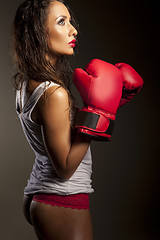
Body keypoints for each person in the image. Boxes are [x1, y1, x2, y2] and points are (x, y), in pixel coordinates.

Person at [11, 0, 95, 239]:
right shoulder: (53, 93)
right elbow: (65, 167)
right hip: (62, 197)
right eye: (62, 22)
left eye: (70, 21)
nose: (73, 30)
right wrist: (97, 113)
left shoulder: (27, 84)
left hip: (42, 191)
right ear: (38, 34)